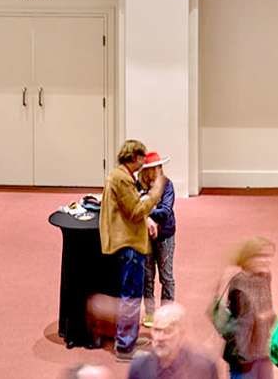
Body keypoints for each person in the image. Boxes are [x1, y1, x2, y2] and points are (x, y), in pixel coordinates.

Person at [101, 139, 165, 360]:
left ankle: (128, 337)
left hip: (125, 242)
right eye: (142, 158)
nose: (144, 163)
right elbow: (136, 211)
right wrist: (155, 193)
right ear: (135, 158)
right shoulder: (122, 179)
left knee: (130, 295)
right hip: (128, 244)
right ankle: (125, 346)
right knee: (131, 296)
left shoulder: (120, 176)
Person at [218, 237, 276, 379]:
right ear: (248, 258)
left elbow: (266, 308)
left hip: (262, 352)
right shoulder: (238, 283)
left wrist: (268, 317)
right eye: (261, 256)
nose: (266, 260)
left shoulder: (265, 276)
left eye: (268, 256)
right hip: (243, 358)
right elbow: (236, 323)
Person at [129, 303, 217, 379]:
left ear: (182, 334)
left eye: (167, 331)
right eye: (156, 330)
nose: (159, 338)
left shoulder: (203, 367)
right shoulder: (139, 366)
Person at [140, 152, 177, 325]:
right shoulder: (139, 186)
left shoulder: (167, 185)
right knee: (147, 275)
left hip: (165, 236)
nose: (158, 170)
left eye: (159, 167)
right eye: (154, 168)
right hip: (145, 237)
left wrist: (145, 210)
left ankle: (167, 313)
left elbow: (165, 211)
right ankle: (149, 312)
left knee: (166, 276)